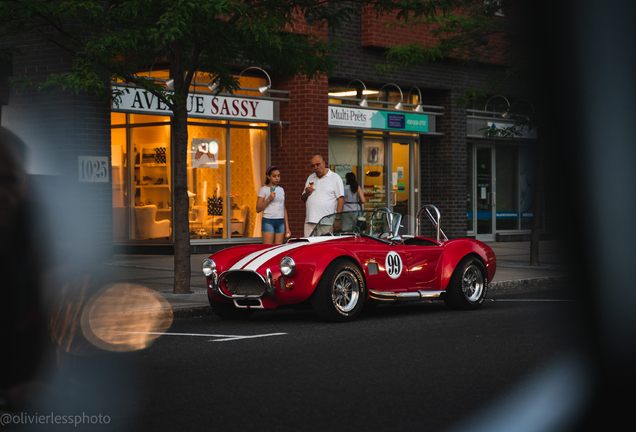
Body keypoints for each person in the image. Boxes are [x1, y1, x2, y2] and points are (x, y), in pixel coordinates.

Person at [301, 155, 344, 236]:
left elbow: (341, 200)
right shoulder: (311, 177)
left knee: (323, 247)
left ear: (324, 163)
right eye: (313, 166)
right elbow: (303, 199)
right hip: (310, 221)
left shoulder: (335, 178)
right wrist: (306, 193)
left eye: (318, 164)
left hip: (326, 222)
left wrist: (338, 219)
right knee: (309, 247)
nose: (315, 167)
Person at [256, 166, 291, 244]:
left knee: (278, 249)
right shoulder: (263, 189)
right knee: (268, 249)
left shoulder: (281, 190)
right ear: (268, 177)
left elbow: (283, 208)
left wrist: (287, 227)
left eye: (278, 176)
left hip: (280, 221)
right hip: (268, 221)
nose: (277, 178)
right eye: (274, 176)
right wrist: (268, 199)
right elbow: (258, 209)